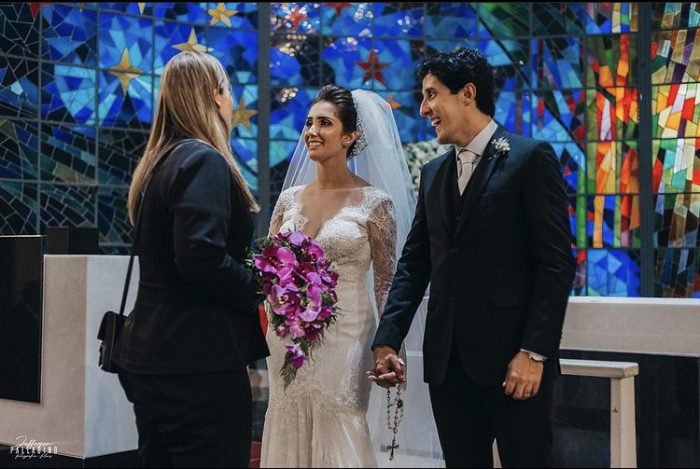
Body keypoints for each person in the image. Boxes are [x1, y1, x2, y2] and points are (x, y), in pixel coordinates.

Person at [371, 48, 577, 467]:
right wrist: (387, 339)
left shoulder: (529, 158)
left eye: (432, 95)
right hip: (448, 365)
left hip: (514, 362)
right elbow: (414, 264)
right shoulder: (433, 173)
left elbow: (555, 263)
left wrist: (534, 352)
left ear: (468, 93)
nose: (424, 108)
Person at [260, 85, 441, 467]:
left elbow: (387, 283)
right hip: (287, 337)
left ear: (349, 136)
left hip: (347, 337)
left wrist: (389, 348)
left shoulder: (375, 203)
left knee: (338, 417)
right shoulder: (289, 199)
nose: (312, 131)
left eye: (325, 123)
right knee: (287, 415)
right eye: (309, 122)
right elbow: (270, 269)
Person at [113, 50, 268, 468]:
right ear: (215, 96)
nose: (231, 101)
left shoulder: (159, 163)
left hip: (152, 356)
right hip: (196, 363)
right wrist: (260, 288)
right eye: (229, 91)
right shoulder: (203, 160)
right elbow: (200, 256)